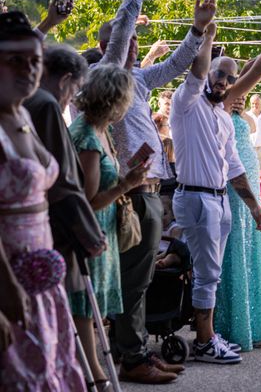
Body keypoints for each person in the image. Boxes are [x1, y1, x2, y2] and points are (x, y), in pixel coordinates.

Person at [96, 0, 217, 382]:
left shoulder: (139, 81)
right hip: (127, 191)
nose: (131, 47)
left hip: (150, 190)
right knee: (131, 278)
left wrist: (198, 28)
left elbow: (177, 64)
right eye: (124, 43)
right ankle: (130, 357)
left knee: (142, 278)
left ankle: (138, 350)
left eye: (131, 44)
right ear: (111, 47)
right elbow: (120, 35)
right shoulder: (104, 74)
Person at [171, 7, 261, 364]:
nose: (223, 82)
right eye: (219, 75)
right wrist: (206, 34)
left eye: (228, 78)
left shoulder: (222, 116)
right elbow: (198, 71)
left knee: (212, 274)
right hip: (195, 198)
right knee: (207, 275)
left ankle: (209, 335)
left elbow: (235, 167)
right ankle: (205, 343)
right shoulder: (186, 102)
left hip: (219, 200)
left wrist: (254, 206)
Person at [0, 10, 85, 389]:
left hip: (42, 284)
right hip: (8, 285)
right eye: (14, 61)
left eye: (34, 61)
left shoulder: (22, 114)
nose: (28, 70)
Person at [69, 64, 158, 386]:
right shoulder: (87, 137)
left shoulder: (102, 130)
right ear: (115, 100)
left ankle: (93, 370)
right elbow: (87, 201)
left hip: (103, 231)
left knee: (96, 311)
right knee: (84, 309)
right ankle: (93, 375)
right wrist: (127, 184)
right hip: (89, 231)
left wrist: (128, 173)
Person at [23, 43, 108, 295]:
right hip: (50, 226)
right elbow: (63, 180)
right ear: (66, 79)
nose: (72, 98)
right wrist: (90, 233)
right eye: (74, 90)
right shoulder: (46, 105)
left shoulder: (28, 100)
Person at [214, 81, 261, 352]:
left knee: (252, 249)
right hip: (232, 181)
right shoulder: (217, 112)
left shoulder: (245, 118)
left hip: (249, 175)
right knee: (234, 247)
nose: (240, 98)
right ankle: (233, 327)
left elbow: (252, 127)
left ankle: (257, 326)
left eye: (242, 94)